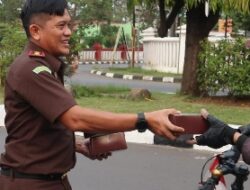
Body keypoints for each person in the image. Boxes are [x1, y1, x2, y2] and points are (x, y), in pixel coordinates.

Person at [0, 0, 185, 189]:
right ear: (35, 31)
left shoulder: (46, 67)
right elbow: (75, 119)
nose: (68, 32)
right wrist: (144, 119)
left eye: (69, 25)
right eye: (61, 26)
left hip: (51, 181)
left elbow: (37, 128)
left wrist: (75, 144)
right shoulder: (30, 69)